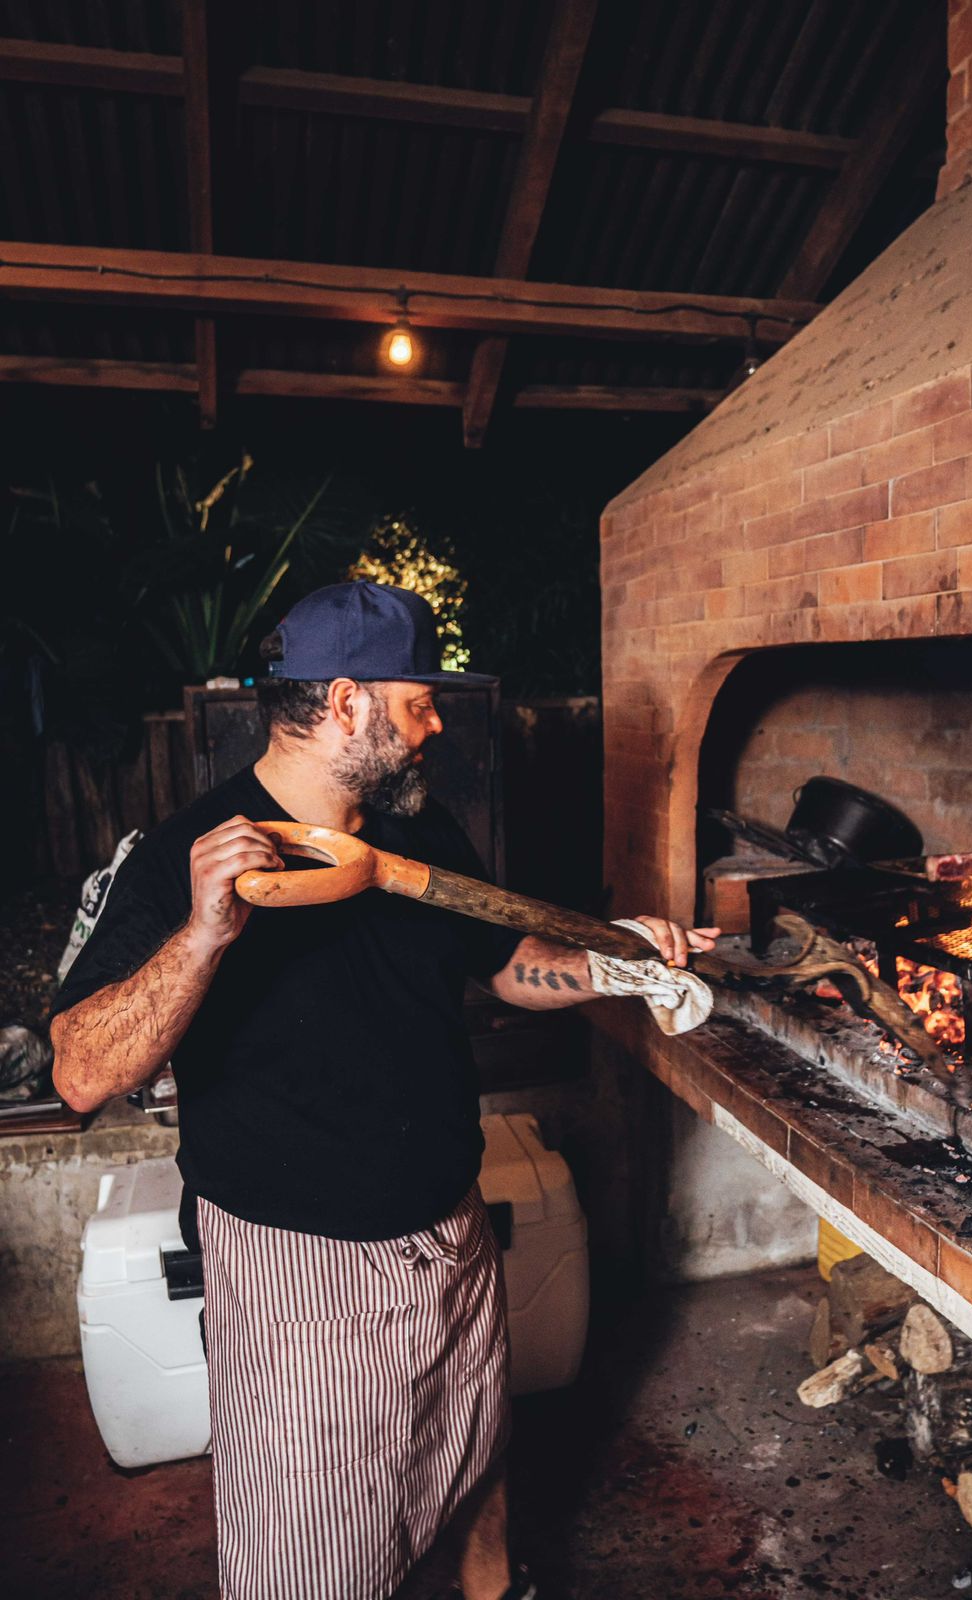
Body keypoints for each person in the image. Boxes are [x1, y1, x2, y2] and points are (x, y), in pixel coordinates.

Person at [51, 581, 718, 1600]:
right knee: (309, 1546)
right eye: (420, 702)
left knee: (475, 1458)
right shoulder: (186, 854)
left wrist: (623, 965)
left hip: (450, 1227)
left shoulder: (419, 830)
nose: (436, 724)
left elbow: (505, 964)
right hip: (302, 1269)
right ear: (346, 702)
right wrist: (204, 934)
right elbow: (82, 1072)